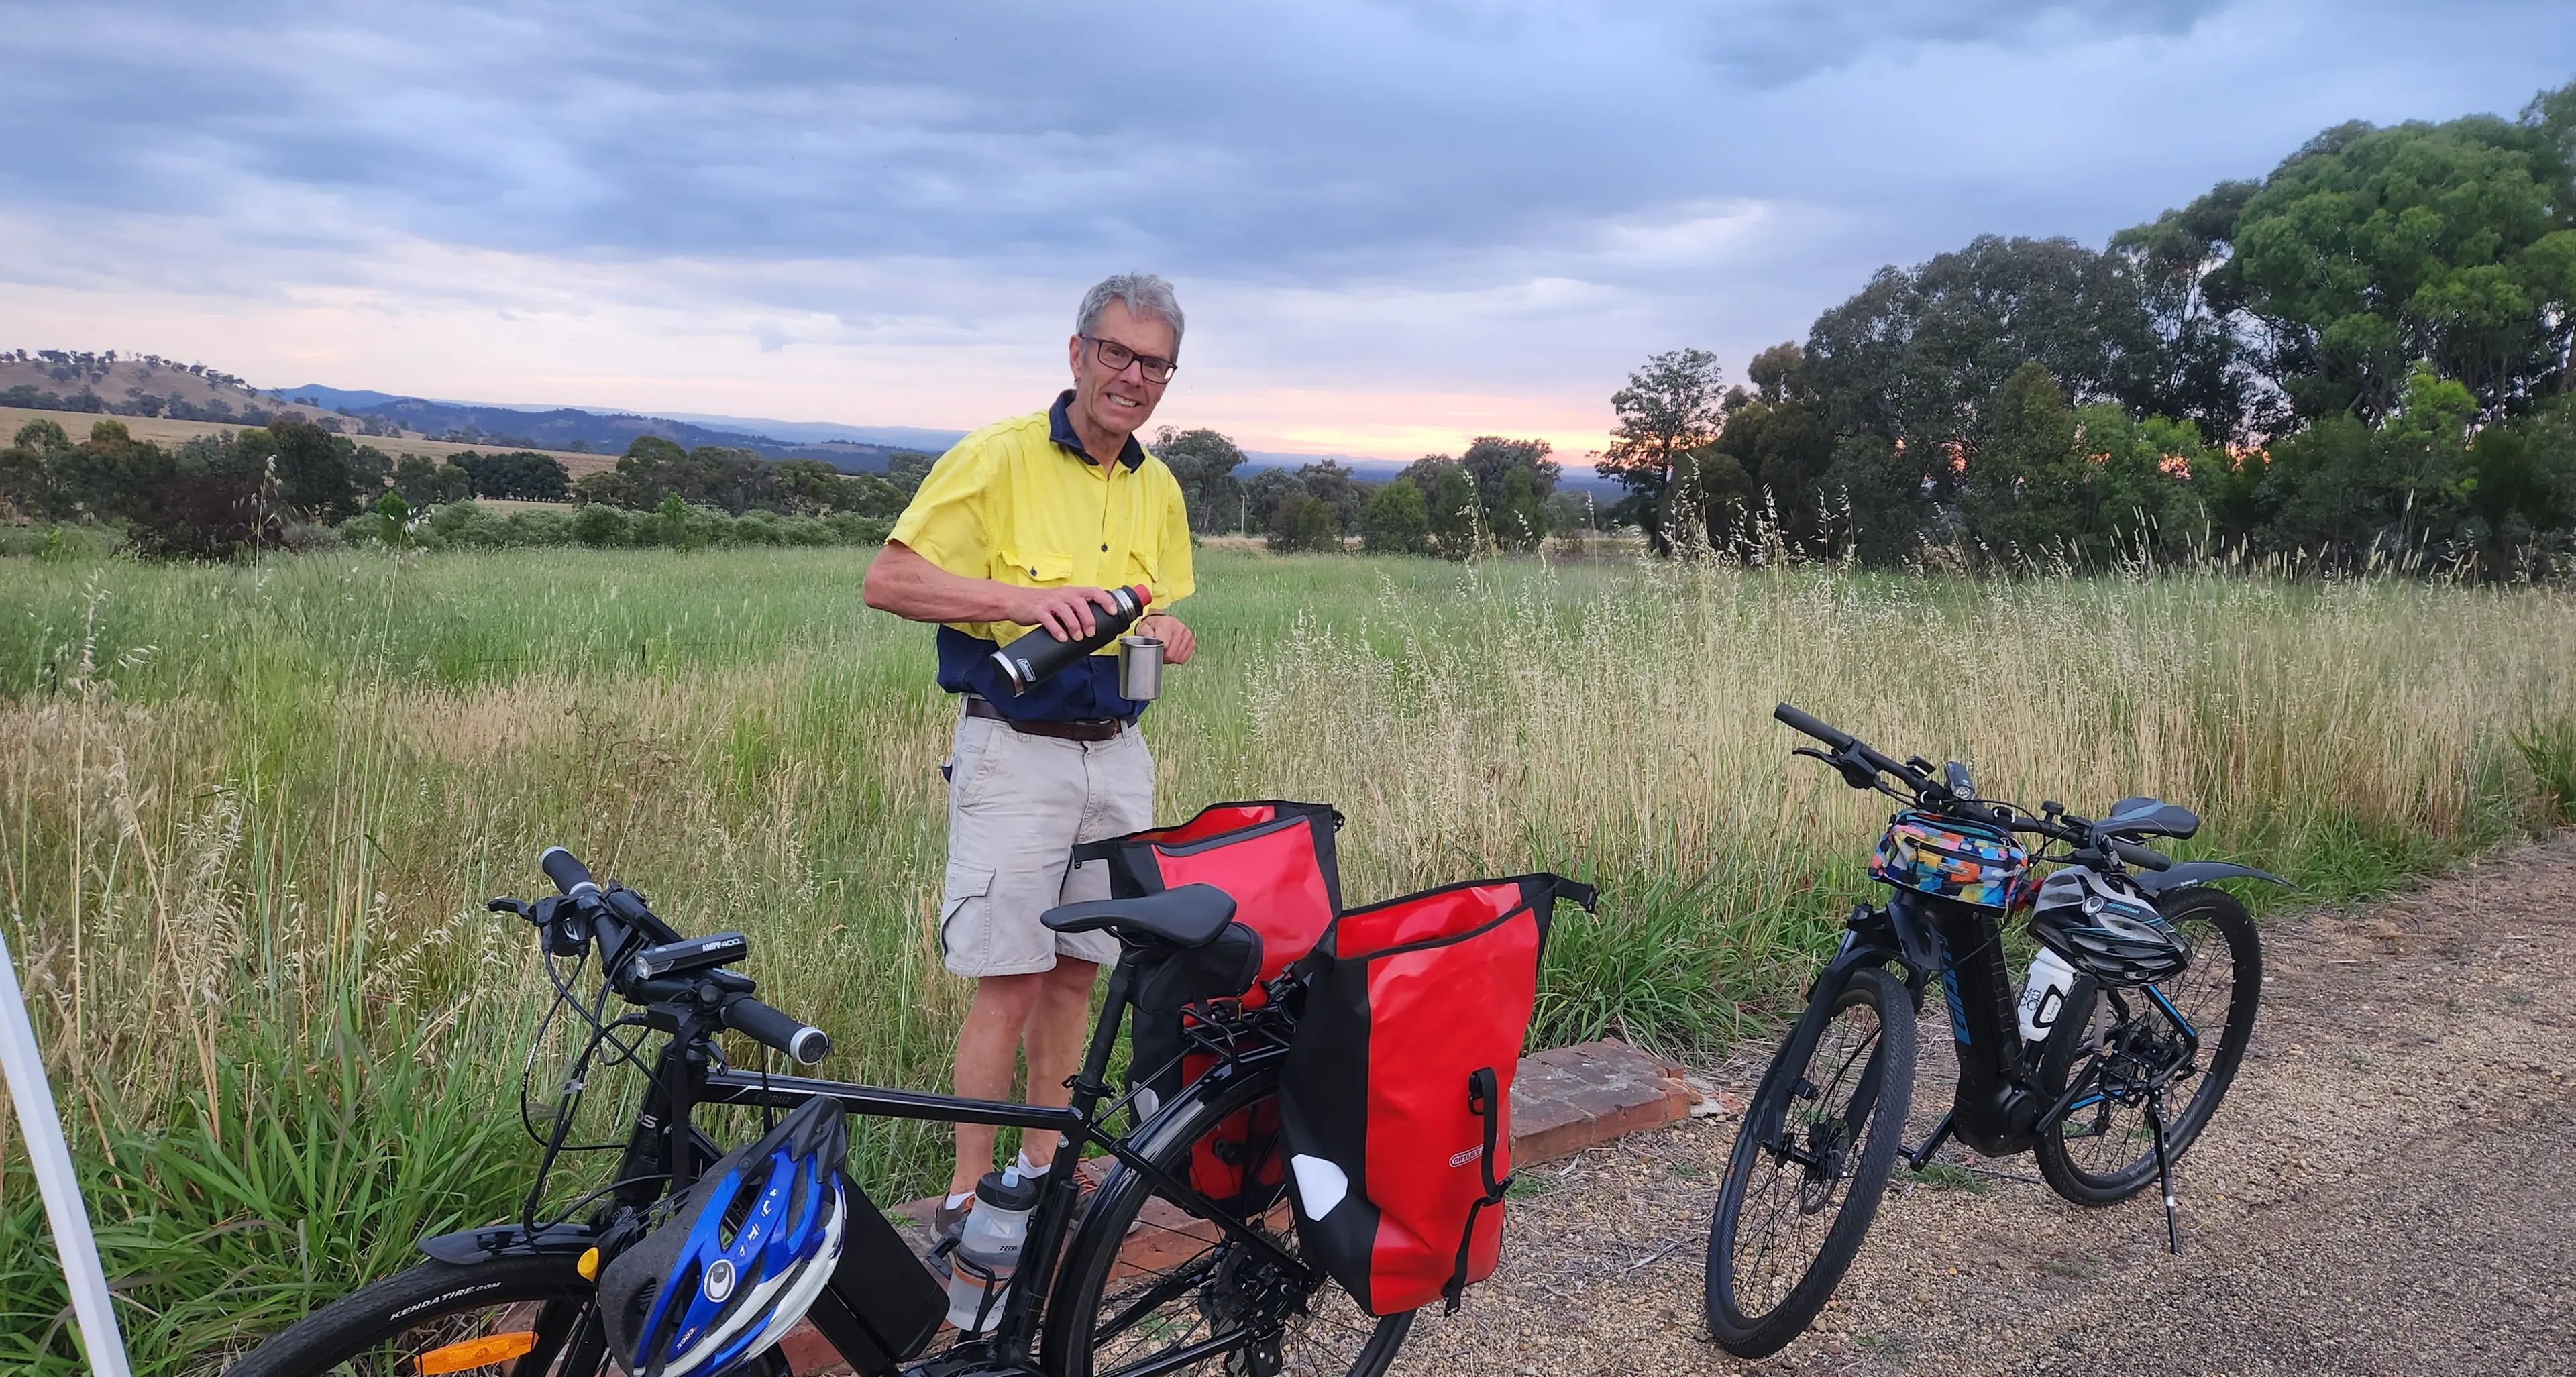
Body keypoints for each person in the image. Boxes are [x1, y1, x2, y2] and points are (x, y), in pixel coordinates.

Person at [862, 272, 1198, 1254]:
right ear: (1078, 352)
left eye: (1153, 364)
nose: (1131, 377)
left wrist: (1168, 631)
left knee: (1073, 976)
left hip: (1118, 757)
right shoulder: (997, 457)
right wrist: (1015, 600)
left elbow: (1150, 599)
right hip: (1015, 753)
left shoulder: (1158, 485)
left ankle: (1043, 1177)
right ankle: (970, 1195)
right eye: (1116, 354)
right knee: (1006, 979)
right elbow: (888, 580)